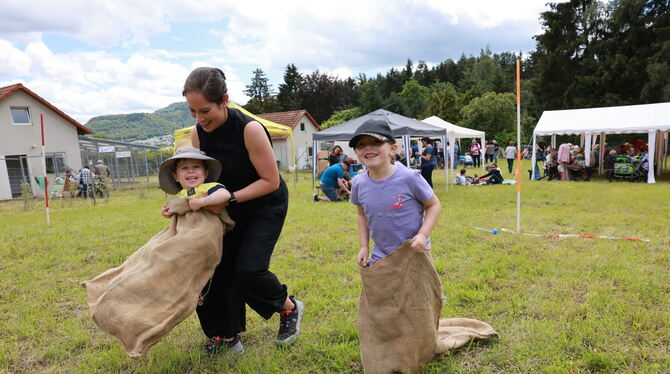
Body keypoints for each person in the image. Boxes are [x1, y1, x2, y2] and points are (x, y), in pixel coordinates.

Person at [183, 67, 304, 355]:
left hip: (265, 203)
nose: (200, 119)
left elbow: (270, 181)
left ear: (224, 99)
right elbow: (203, 176)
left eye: (205, 110)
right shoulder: (197, 134)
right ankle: (227, 336)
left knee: (249, 270)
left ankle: (289, 309)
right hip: (227, 205)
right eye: (192, 111)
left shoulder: (250, 129)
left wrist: (229, 200)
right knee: (216, 271)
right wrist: (193, 200)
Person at [348, 118, 441, 267]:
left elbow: (434, 205)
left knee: (418, 291)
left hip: (414, 251)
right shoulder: (358, 183)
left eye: (376, 142)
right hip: (381, 255)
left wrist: (423, 235)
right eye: (361, 145)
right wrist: (364, 247)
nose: (367, 148)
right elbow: (361, 214)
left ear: (392, 149)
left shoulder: (410, 177)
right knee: (381, 290)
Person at [158, 147, 231, 217]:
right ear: (176, 177)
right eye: (184, 168)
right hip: (186, 228)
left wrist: (202, 202)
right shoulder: (180, 194)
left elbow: (225, 195)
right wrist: (166, 211)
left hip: (208, 225)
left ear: (206, 173)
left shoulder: (210, 187)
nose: (191, 171)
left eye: (196, 166)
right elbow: (174, 206)